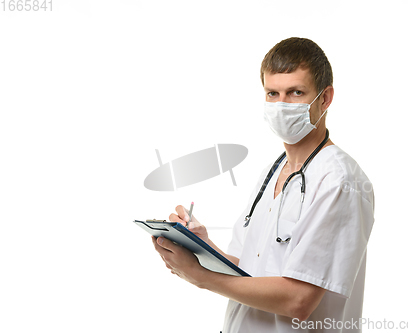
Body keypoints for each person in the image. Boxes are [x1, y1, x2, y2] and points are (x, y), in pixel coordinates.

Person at [152, 37, 375, 333]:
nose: (281, 105)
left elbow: (299, 300)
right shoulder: (275, 171)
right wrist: (203, 247)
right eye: (273, 93)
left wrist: (201, 277)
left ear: (325, 98)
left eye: (296, 92)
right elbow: (250, 271)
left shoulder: (339, 180)